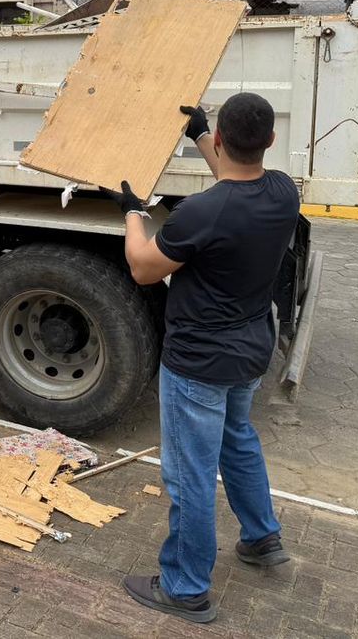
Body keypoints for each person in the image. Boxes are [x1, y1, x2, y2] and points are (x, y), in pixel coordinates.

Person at [109, 93, 299, 624]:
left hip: (198, 362)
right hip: (250, 351)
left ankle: (186, 588)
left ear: (222, 140)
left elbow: (144, 268)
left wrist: (133, 214)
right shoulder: (284, 191)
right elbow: (235, 181)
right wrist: (199, 134)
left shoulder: (201, 213)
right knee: (237, 440)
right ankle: (262, 537)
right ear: (270, 142)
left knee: (190, 475)